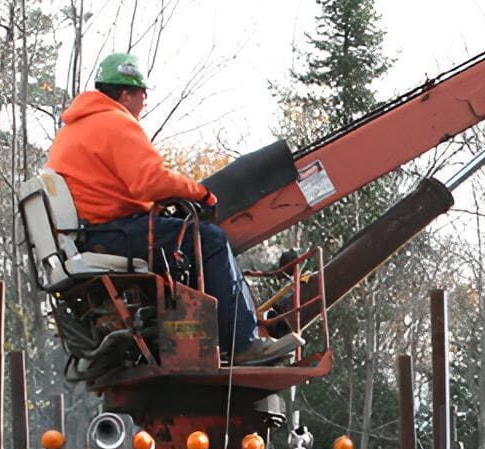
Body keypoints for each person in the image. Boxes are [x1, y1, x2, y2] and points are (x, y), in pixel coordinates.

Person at [45, 53, 299, 366]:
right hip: (113, 233)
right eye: (142, 93)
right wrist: (201, 194)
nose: (145, 101)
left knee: (183, 242)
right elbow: (149, 181)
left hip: (89, 234)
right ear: (127, 93)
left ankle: (191, 336)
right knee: (211, 241)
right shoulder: (117, 122)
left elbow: (116, 186)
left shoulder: (73, 129)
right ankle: (242, 342)